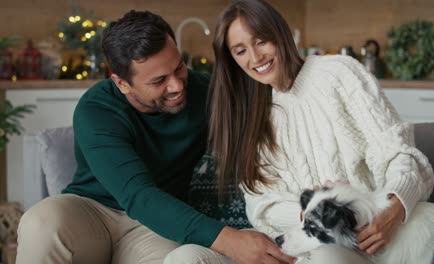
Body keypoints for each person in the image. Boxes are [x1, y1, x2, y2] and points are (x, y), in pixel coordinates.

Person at [15, 10, 296, 264]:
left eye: (178, 68)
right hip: (93, 212)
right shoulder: (96, 110)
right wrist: (231, 241)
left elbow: (269, 110)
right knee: (40, 223)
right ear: (121, 83)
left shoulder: (205, 93)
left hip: (157, 224)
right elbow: (138, 196)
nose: (176, 86)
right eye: (158, 81)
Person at [208, 0, 434, 263]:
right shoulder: (251, 114)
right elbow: (262, 205)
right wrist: (310, 212)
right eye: (240, 51)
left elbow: (398, 152)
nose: (255, 58)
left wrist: (394, 206)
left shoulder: (339, 74)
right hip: (298, 244)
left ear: (280, 34)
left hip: (372, 245)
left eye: (261, 41)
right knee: (188, 257)